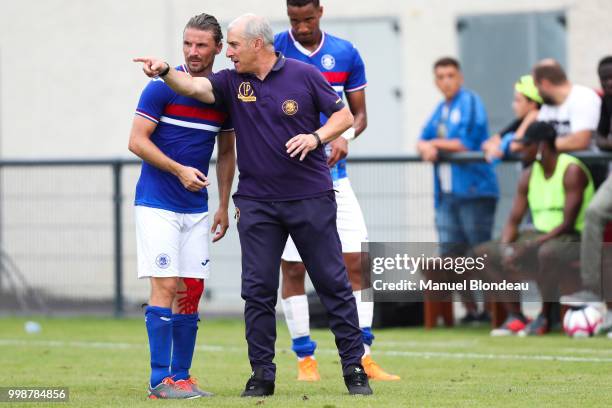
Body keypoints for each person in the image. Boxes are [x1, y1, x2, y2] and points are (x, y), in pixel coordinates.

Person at [134, 13, 373, 397]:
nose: (227, 53)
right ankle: (262, 375)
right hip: (258, 205)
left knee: (333, 283)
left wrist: (315, 137)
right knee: (257, 290)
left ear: (257, 44)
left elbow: (344, 116)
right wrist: (164, 71)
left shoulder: (304, 74)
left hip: (310, 197)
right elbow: (192, 87)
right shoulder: (231, 81)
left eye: (233, 45)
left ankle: (353, 370)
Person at [273, 0, 398, 382]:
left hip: (336, 179)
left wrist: (344, 136)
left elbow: (359, 115)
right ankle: (305, 358)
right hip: (292, 182)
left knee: (357, 261)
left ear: (321, 12)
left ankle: (364, 356)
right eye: (295, 20)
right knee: (293, 268)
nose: (301, 27)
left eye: (308, 19)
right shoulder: (275, 48)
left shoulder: (345, 52)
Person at [128, 14, 236, 399]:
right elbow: (136, 141)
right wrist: (178, 171)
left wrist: (224, 204)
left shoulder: (220, 96)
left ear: (218, 49)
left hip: (197, 208)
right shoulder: (161, 89)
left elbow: (227, 154)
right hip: (157, 202)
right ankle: (159, 381)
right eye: (187, 44)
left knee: (191, 288)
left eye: (201, 45)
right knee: (166, 284)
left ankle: (181, 377)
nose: (192, 52)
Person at [476, 121, 594, 336]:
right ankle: (516, 317)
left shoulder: (572, 170)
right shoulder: (529, 174)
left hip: (574, 237)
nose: (521, 150)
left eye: (526, 144)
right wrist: (505, 248)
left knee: (546, 252)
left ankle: (544, 316)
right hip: (540, 235)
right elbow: (513, 220)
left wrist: (529, 245)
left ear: (541, 146)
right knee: (485, 252)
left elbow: (567, 224)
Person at [417, 57, 499, 323]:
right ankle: (470, 310)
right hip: (447, 194)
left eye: (450, 75)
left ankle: (492, 310)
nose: (446, 81)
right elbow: (422, 138)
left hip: (474, 191)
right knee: (451, 255)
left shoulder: (470, 102)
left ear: (460, 77)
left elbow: (467, 142)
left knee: (480, 252)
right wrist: (426, 146)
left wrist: (434, 144)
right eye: (440, 77)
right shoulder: (441, 108)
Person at [561, 55, 612, 337]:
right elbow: (601, 137)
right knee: (594, 213)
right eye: (604, 78)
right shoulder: (606, 101)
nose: (609, 82)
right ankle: (592, 288)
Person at [482, 75, 542, 162]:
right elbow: (488, 143)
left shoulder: (541, 122)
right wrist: (492, 148)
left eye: (518, 100)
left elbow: (515, 145)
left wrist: (531, 116)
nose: (513, 106)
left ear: (532, 103)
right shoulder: (520, 121)